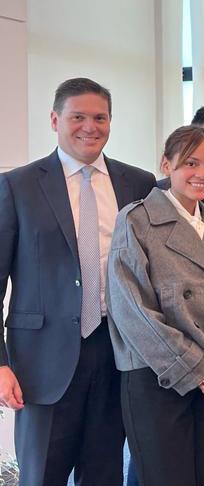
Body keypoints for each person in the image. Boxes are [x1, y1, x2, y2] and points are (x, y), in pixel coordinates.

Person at [0, 77, 155, 486]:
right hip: (41, 362)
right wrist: (0, 364)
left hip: (117, 352)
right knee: (42, 475)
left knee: (104, 472)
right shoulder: (18, 185)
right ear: (55, 120)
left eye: (100, 118)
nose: (90, 127)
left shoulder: (137, 184)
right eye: (78, 117)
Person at [107, 125, 204, 486]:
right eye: (191, 163)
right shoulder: (137, 220)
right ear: (166, 164)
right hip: (159, 376)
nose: (202, 174)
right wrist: (195, 366)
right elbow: (132, 309)